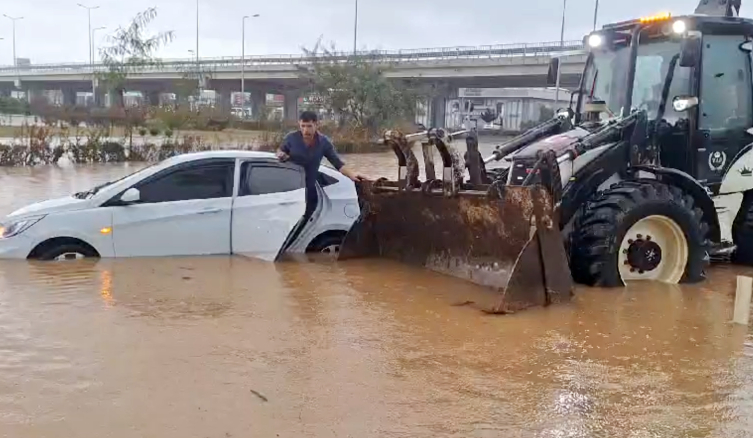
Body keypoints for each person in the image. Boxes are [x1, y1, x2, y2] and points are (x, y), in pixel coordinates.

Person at [277, 111, 367, 214]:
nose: (306, 130)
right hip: (290, 190)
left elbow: (337, 163)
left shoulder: (323, 142)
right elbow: (280, 150)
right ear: (299, 124)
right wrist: (281, 154)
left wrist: (352, 174)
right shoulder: (291, 138)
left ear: (316, 125)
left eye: (309, 126)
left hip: (310, 191)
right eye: (303, 126)